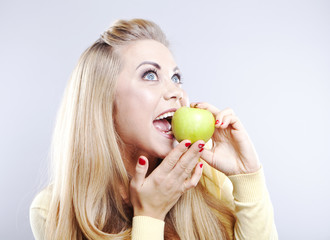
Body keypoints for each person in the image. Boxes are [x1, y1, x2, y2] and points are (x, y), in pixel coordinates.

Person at [30, 18, 278, 240]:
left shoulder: (211, 180)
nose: (176, 92)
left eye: (176, 78)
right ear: (104, 101)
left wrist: (248, 178)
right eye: (150, 75)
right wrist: (149, 215)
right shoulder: (53, 211)